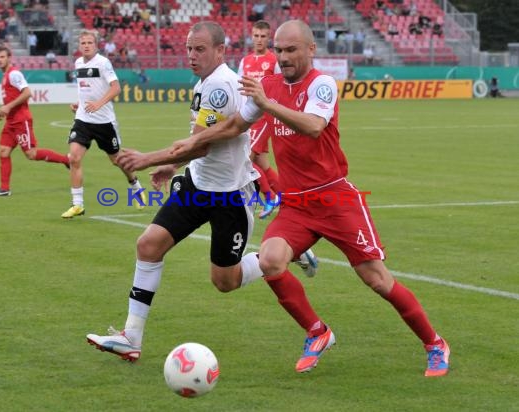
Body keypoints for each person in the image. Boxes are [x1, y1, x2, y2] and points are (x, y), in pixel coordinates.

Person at [169, 20, 450, 377]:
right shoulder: (268, 85)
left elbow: (313, 126)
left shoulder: (322, 84)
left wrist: (267, 104)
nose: (283, 57)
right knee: (270, 260)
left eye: (291, 50)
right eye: (279, 50)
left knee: (376, 279)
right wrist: (182, 150)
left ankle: (434, 343)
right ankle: (317, 332)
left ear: (310, 49)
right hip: (297, 204)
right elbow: (235, 126)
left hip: (334, 199)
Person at [85, 21, 318, 362]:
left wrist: (149, 159)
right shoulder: (206, 82)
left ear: (220, 50)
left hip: (229, 196)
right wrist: (173, 166)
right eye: (189, 48)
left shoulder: (221, 86)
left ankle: (285, 255)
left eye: (200, 49)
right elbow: (200, 142)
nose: (192, 56)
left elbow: (200, 146)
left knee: (225, 281)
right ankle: (131, 337)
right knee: (149, 245)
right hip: (197, 185)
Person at [61, 29, 147, 218]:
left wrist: (98, 104)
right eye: (83, 43)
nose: (86, 46)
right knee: (74, 157)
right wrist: (80, 103)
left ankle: (135, 185)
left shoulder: (103, 62)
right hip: (83, 119)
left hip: (104, 122)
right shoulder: (78, 63)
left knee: (117, 160)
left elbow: (116, 88)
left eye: (89, 43)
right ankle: (78, 204)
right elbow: (85, 88)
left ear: (96, 45)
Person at [0, 45, 69, 197]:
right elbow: (12, 98)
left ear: (9, 57)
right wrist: (4, 111)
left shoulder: (14, 74)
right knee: (3, 152)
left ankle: (66, 160)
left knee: (31, 154)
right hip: (11, 121)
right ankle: (4, 189)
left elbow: (27, 93)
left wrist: (8, 107)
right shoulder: (5, 76)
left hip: (21, 120)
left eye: (2, 57)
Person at [238, 20, 282, 220]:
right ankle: (290, 198)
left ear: (269, 38)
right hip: (249, 117)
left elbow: (281, 87)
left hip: (264, 116)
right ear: (251, 36)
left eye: (263, 36)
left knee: (246, 159)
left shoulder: (274, 61)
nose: (259, 39)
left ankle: (270, 196)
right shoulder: (245, 61)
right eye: (256, 35)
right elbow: (239, 86)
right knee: (262, 162)